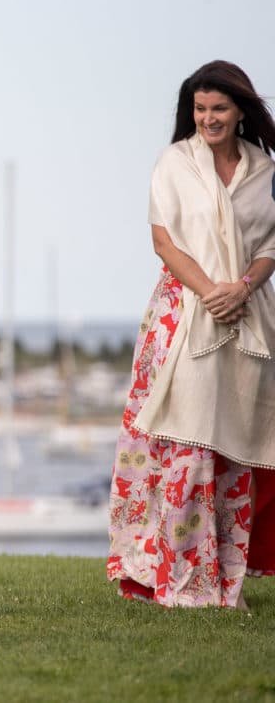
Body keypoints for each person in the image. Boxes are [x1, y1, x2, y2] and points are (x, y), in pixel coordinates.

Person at [108, 60, 275, 608]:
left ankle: (226, 578)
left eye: (219, 108)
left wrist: (243, 286)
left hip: (247, 316)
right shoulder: (175, 162)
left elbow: (270, 246)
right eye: (201, 109)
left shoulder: (264, 169)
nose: (208, 118)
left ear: (241, 110)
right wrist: (211, 291)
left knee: (234, 448)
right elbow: (164, 241)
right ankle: (177, 577)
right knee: (184, 444)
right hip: (185, 310)